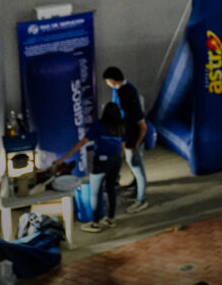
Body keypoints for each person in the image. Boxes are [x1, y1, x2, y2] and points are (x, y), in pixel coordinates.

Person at [48, 102, 124, 233]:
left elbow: (83, 142)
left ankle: (95, 224)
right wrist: (118, 158)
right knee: (111, 188)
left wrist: (63, 159)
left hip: (102, 161)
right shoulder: (121, 125)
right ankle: (111, 219)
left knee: (95, 191)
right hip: (116, 159)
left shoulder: (98, 125)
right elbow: (123, 144)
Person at [101, 66, 148, 213]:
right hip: (128, 139)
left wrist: (135, 144)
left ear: (112, 80)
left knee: (137, 168)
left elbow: (142, 126)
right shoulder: (120, 91)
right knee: (134, 165)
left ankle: (141, 199)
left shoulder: (128, 98)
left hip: (132, 142)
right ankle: (136, 187)